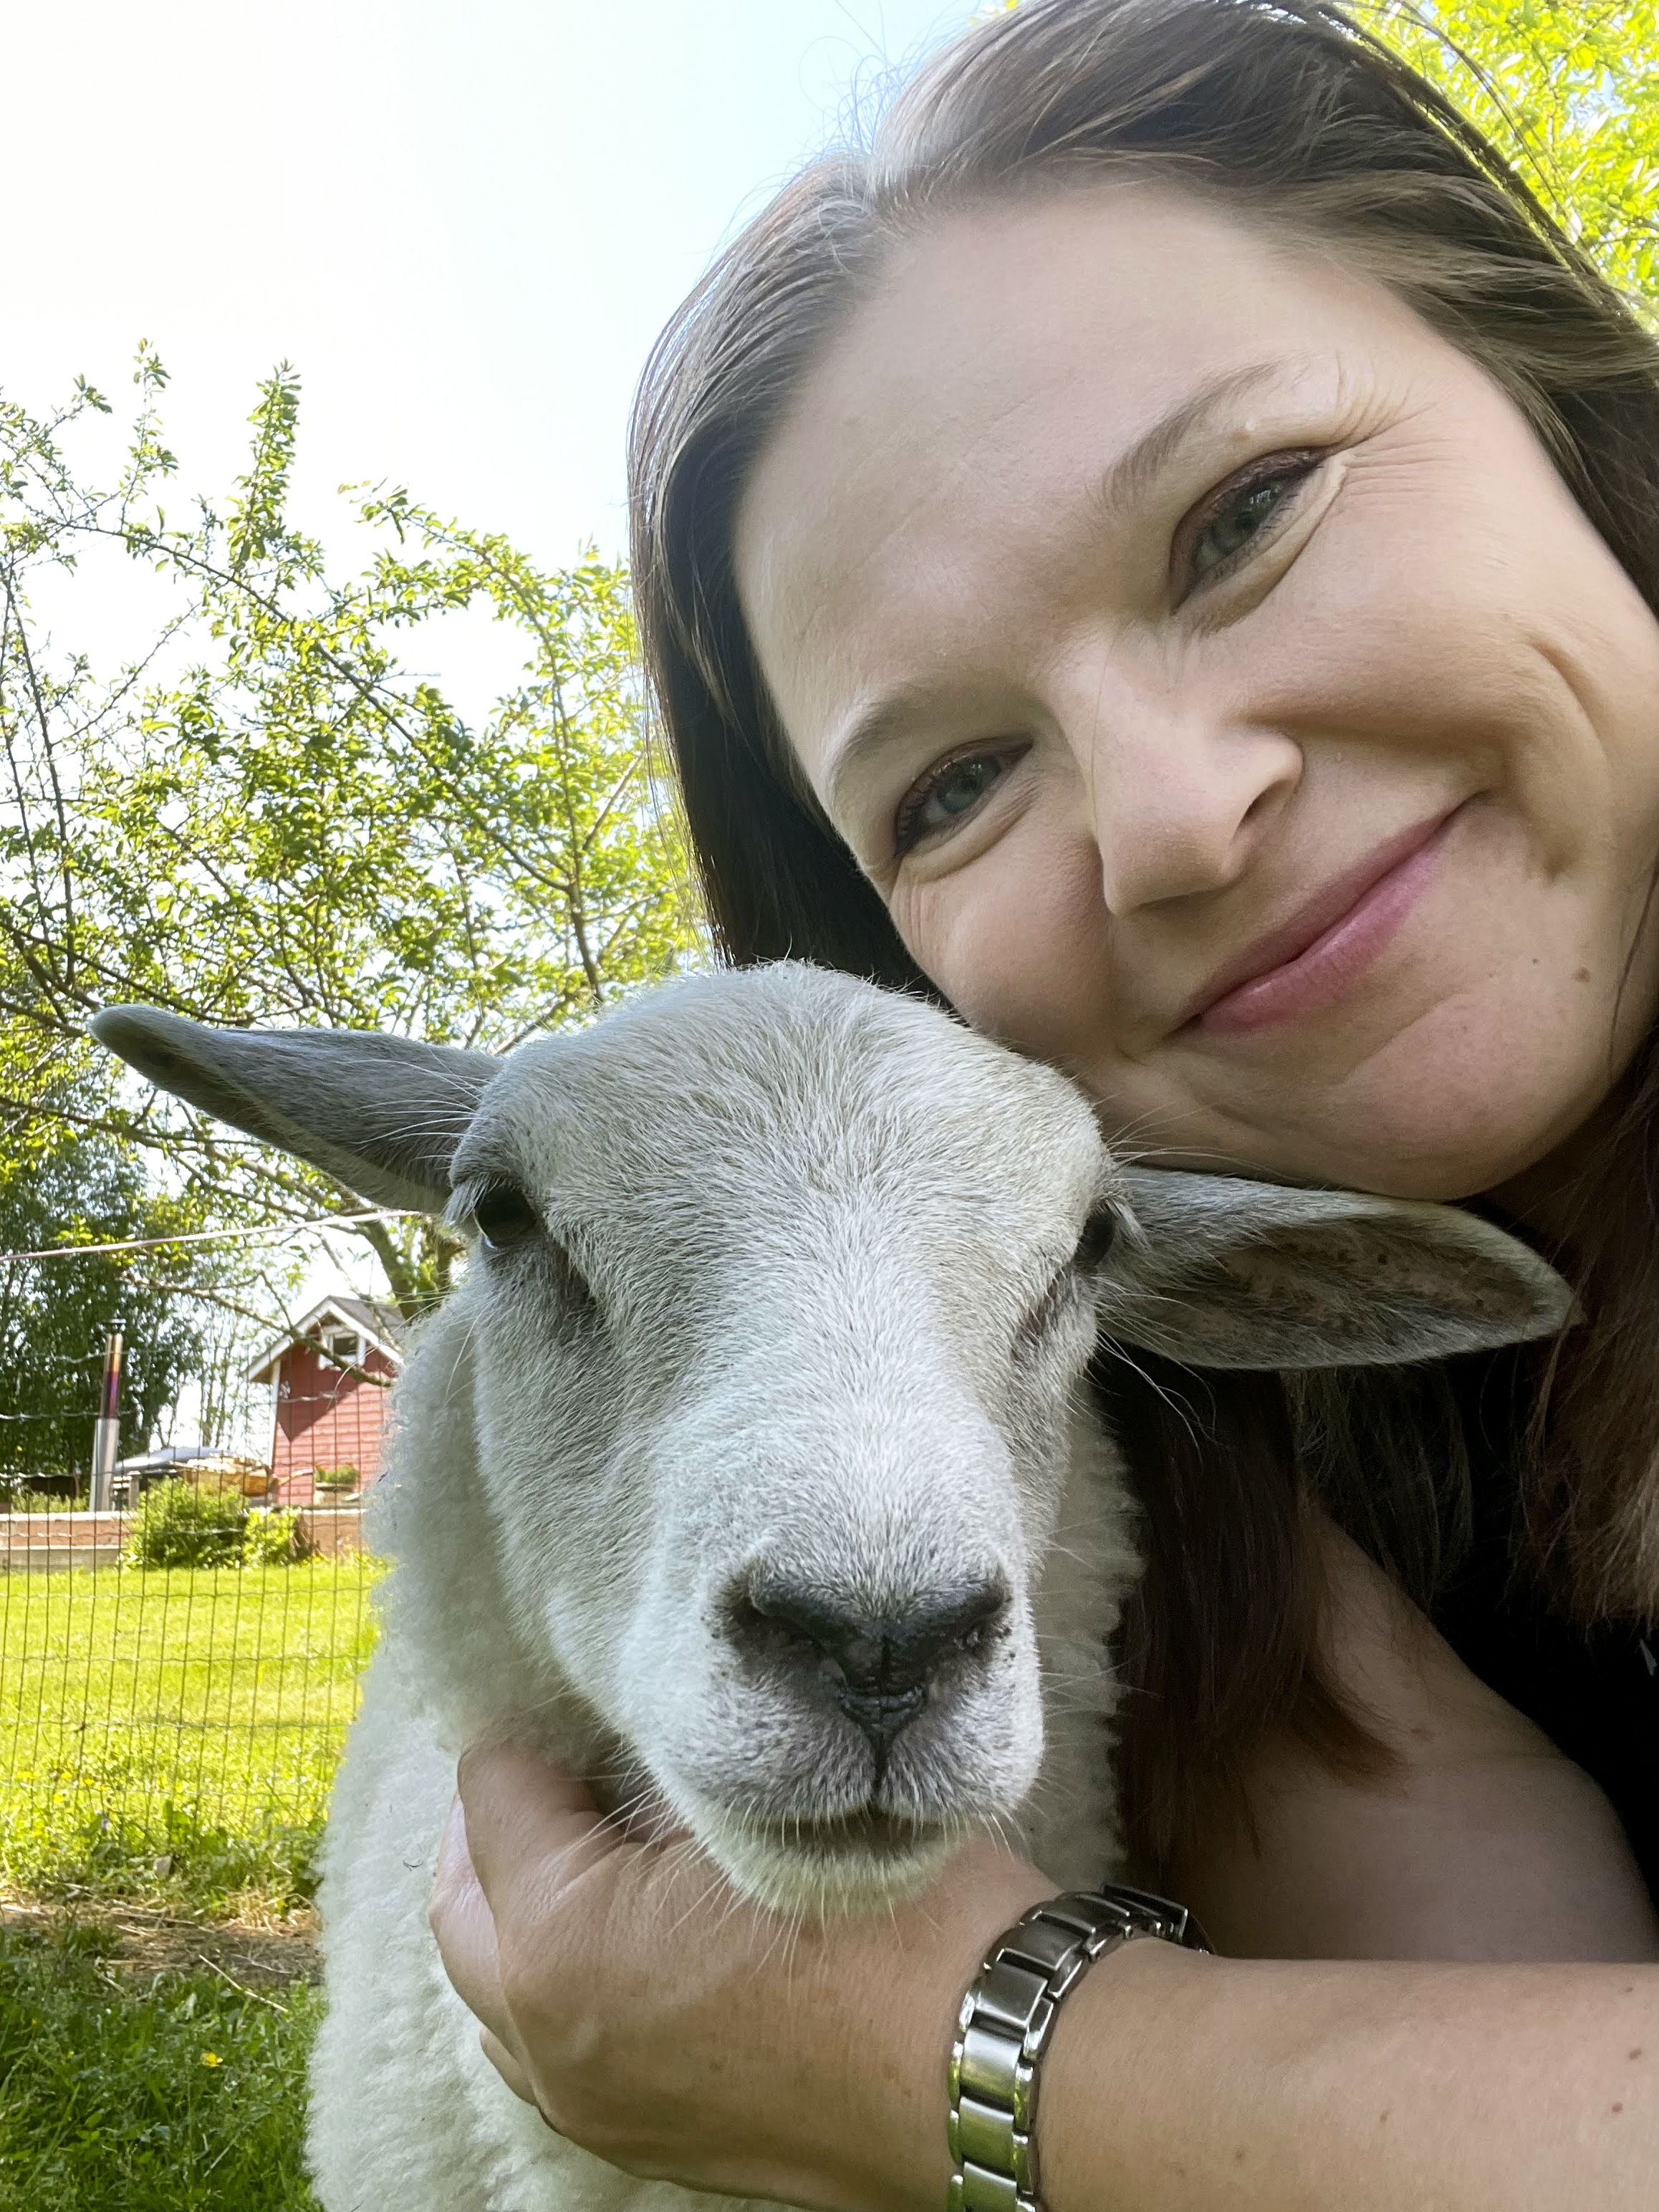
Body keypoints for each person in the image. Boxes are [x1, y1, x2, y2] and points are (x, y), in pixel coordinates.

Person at [428, 1, 1659, 2201]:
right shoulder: (1160, 1500)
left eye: (1245, 514)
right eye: (958, 779)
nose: (1175, 824)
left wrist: (995, 2057)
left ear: (1558, 404)